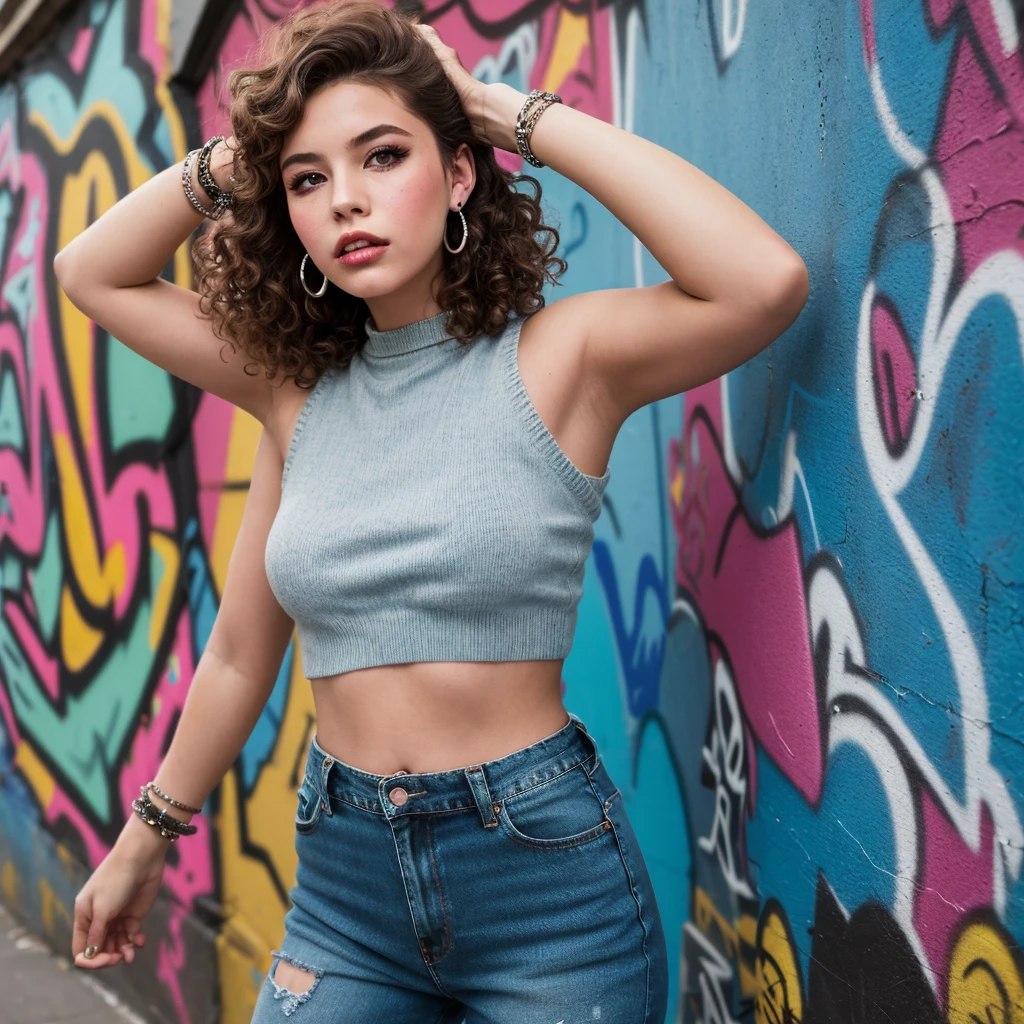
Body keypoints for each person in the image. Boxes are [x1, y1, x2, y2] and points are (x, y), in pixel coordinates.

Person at [54, 2, 807, 1020]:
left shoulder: (561, 362)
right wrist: (147, 832)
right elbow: (90, 272)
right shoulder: (294, 387)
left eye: (382, 156)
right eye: (309, 181)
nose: (345, 202)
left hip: (545, 885)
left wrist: (502, 112)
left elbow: (762, 282)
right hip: (343, 886)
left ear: (457, 174)